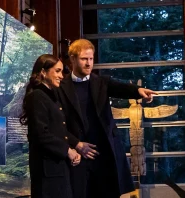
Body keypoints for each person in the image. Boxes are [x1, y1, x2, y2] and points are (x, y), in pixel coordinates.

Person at [56, 39, 158, 198]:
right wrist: (75, 143)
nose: (89, 63)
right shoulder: (61, 87)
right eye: (84, 59)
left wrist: (138, 91)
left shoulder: (101, 82)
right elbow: (57, 124)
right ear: (73, 59)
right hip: (79, 155)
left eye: (91, 59)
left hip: (104, 153)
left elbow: (121, 88)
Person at [20, 54, 81, 198]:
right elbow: (41, 134)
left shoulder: (50, 96)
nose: (61, 76)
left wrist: (75, 146)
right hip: (47, 172)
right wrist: (67, 150)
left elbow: (59, 131)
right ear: (43, 72)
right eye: (57, 71)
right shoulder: (37, 96)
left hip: (58, 169)